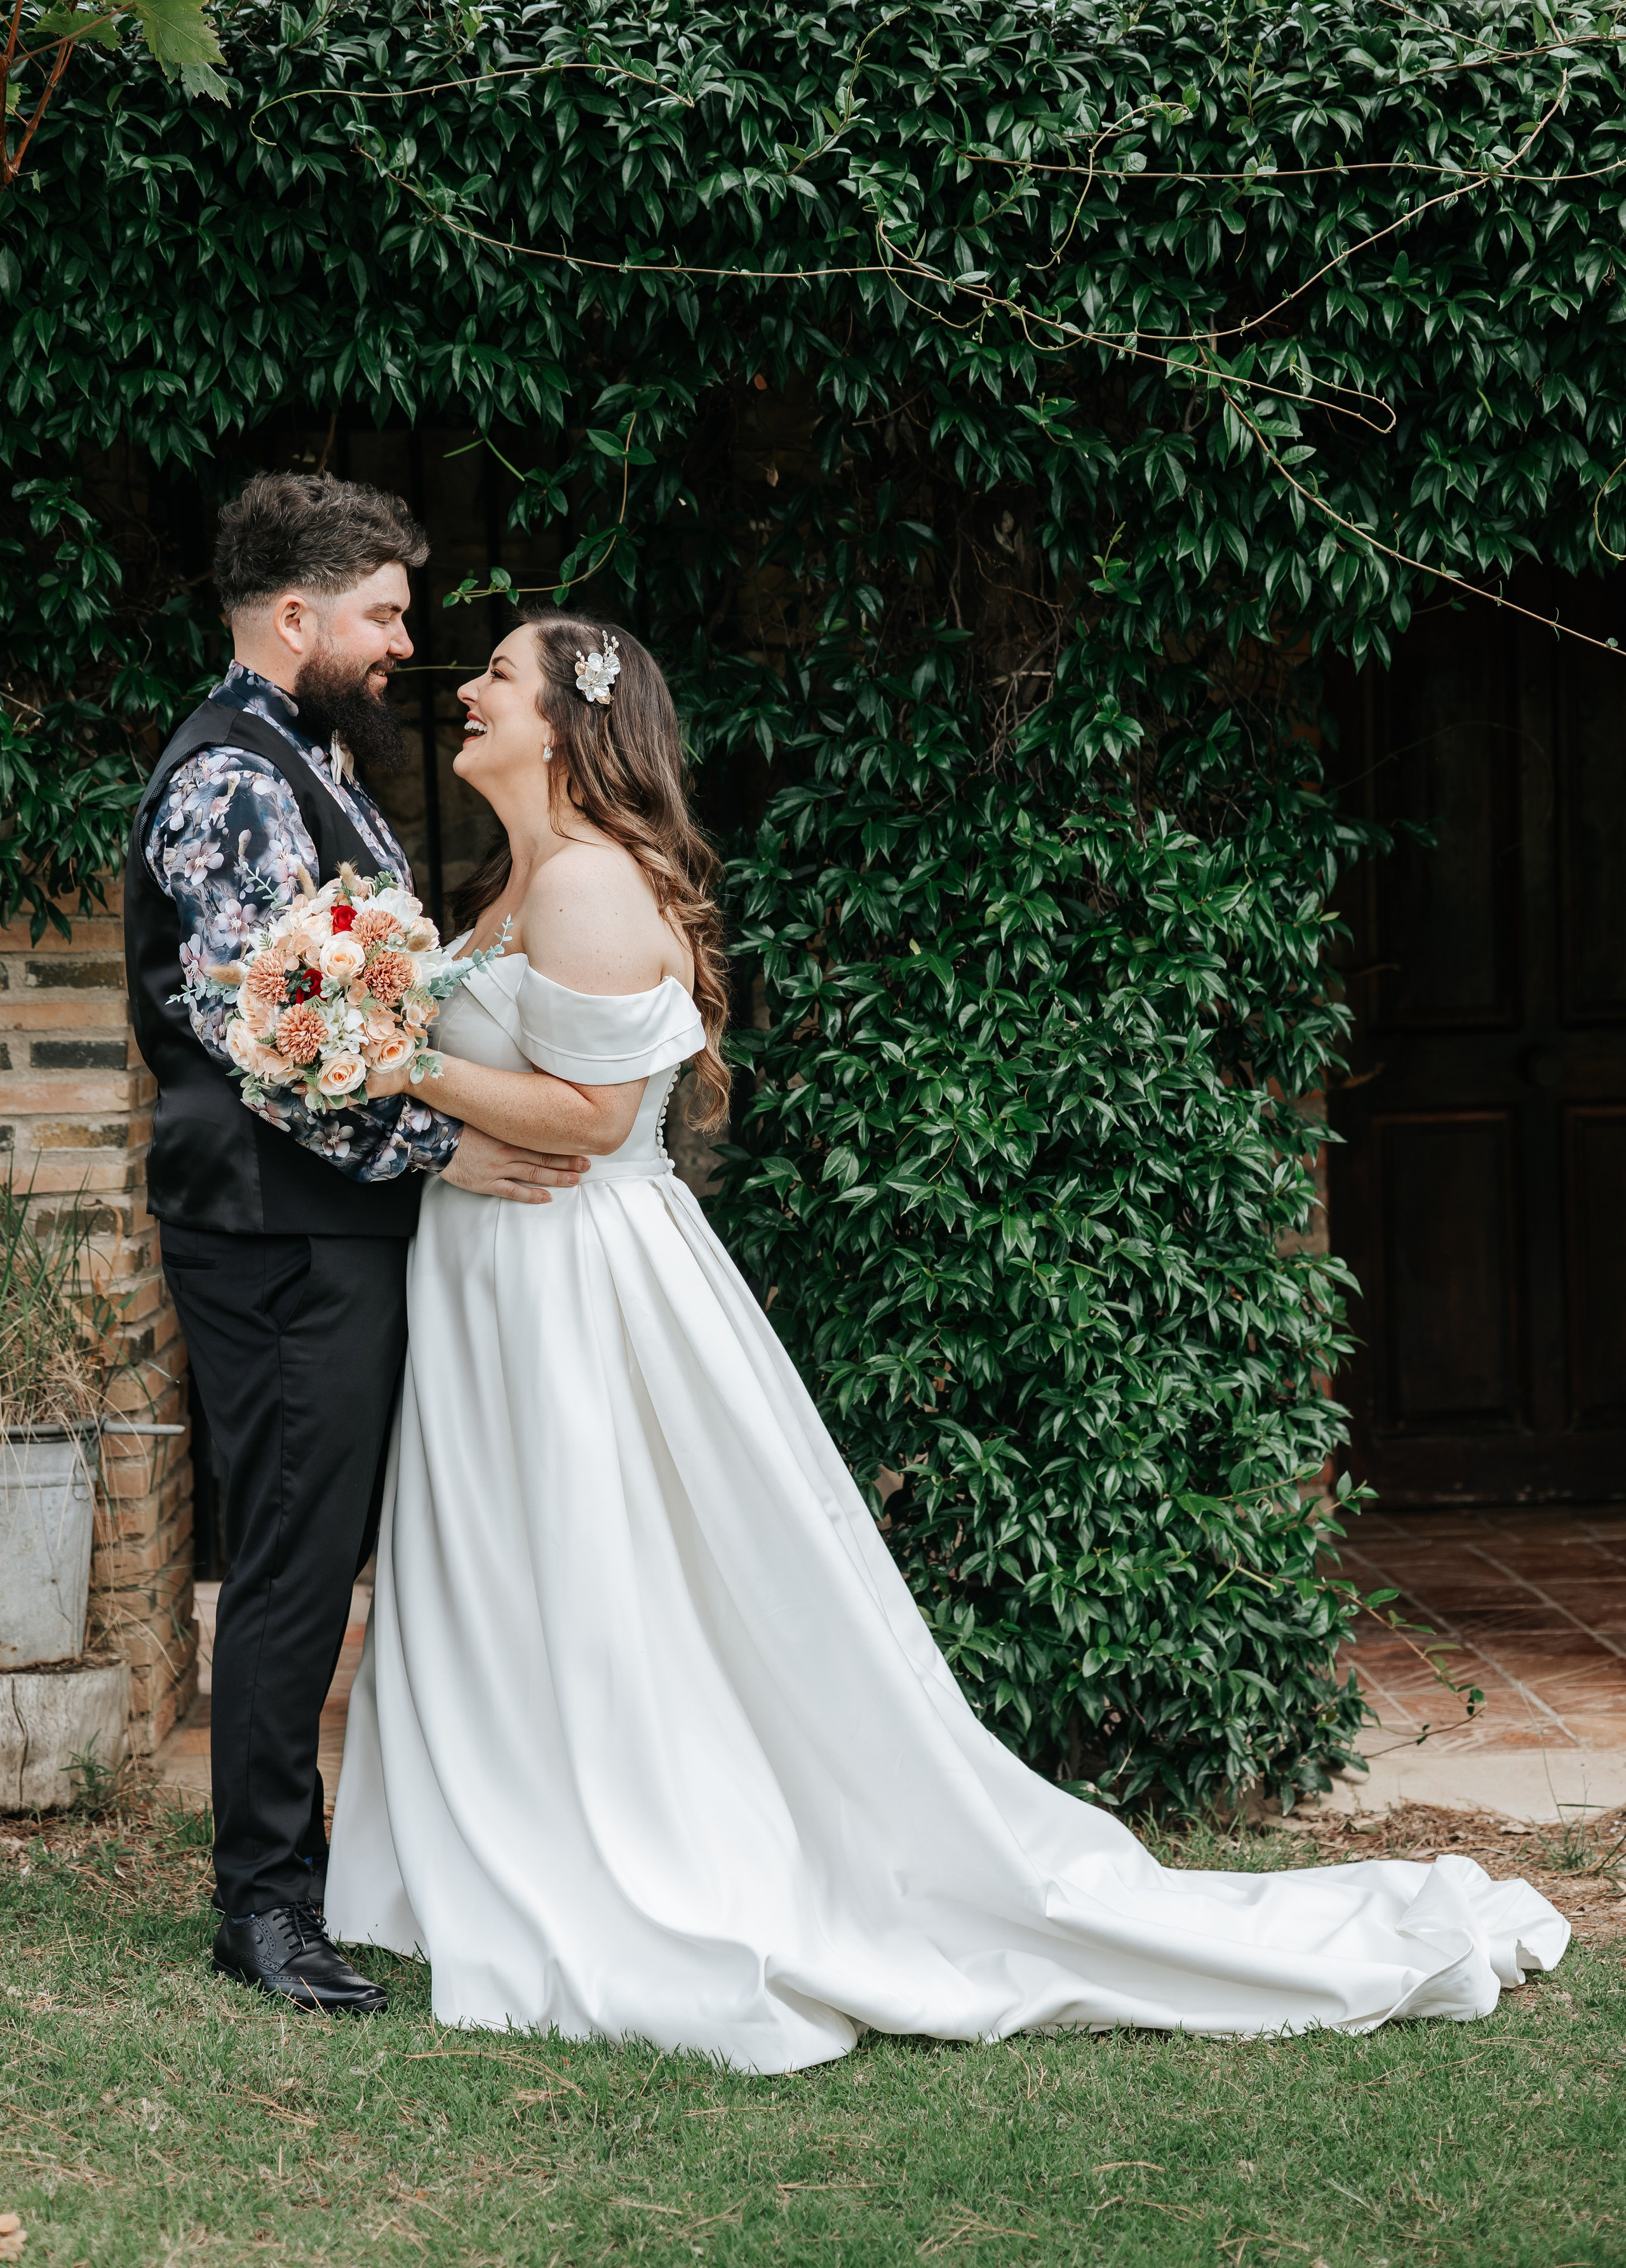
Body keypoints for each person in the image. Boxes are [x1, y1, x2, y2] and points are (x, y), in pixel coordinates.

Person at [325, 609, 1568, 2072]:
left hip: (574, 1284)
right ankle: (508, 1841)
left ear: (570, 723)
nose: (463, 690)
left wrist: (386, 1063)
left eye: (498, 676)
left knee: (594, 1570)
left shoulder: (589, 884)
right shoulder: (512, 879)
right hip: (498, 1272)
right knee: (513, 1563)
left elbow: (598, 1124)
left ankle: (625, 1860)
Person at [127, 473, 586, 2015]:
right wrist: (450, 1144)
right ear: (298, 616)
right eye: (385, 614)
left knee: (317, 1554)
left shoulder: (307, 759)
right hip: (276, 1234)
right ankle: (263, 1907)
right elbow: (274, 1043)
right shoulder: (234, 783)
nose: (406, 642)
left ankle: (319, 1875)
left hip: (325, 1228)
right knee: (290, 1565)